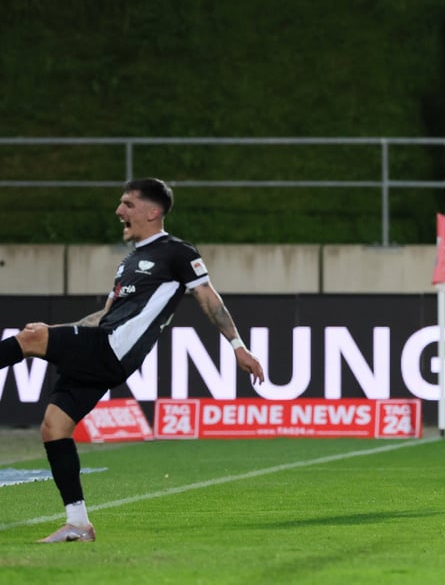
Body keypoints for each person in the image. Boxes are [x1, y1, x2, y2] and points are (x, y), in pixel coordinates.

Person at [0, 178, 266, 543]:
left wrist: (237, 345)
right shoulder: (129, 262)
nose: (118, 211)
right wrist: (57, 329)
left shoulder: (177, 252)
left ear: (152, 212)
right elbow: (103, 316)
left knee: (29, 340)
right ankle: (78, 524)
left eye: (127, 204)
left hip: (113, 349)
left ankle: (77, 523)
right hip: (103, 346)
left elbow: (208, 297)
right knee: (54, 427)